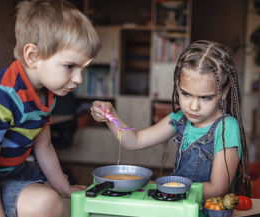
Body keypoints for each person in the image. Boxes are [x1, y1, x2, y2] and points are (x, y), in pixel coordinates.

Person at [0, 0, 99, 217]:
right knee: (47, 205)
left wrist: (64, 188)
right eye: (70, 66)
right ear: (32, 56)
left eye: (83, 69)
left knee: (63, 193)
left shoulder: (46, 94)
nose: (78, 79)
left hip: (10, 170)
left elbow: (44, 146)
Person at [90, 40, 250, 200]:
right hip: (176, 203)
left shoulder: (226, 128)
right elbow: (133, 141)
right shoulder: (179, 119)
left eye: (205, 98)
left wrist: (164, 186)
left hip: (207, 213)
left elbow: (217, 189)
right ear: (177, 86)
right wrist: (110, 116)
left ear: (224, 92)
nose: (193, 107)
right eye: (186, 94)